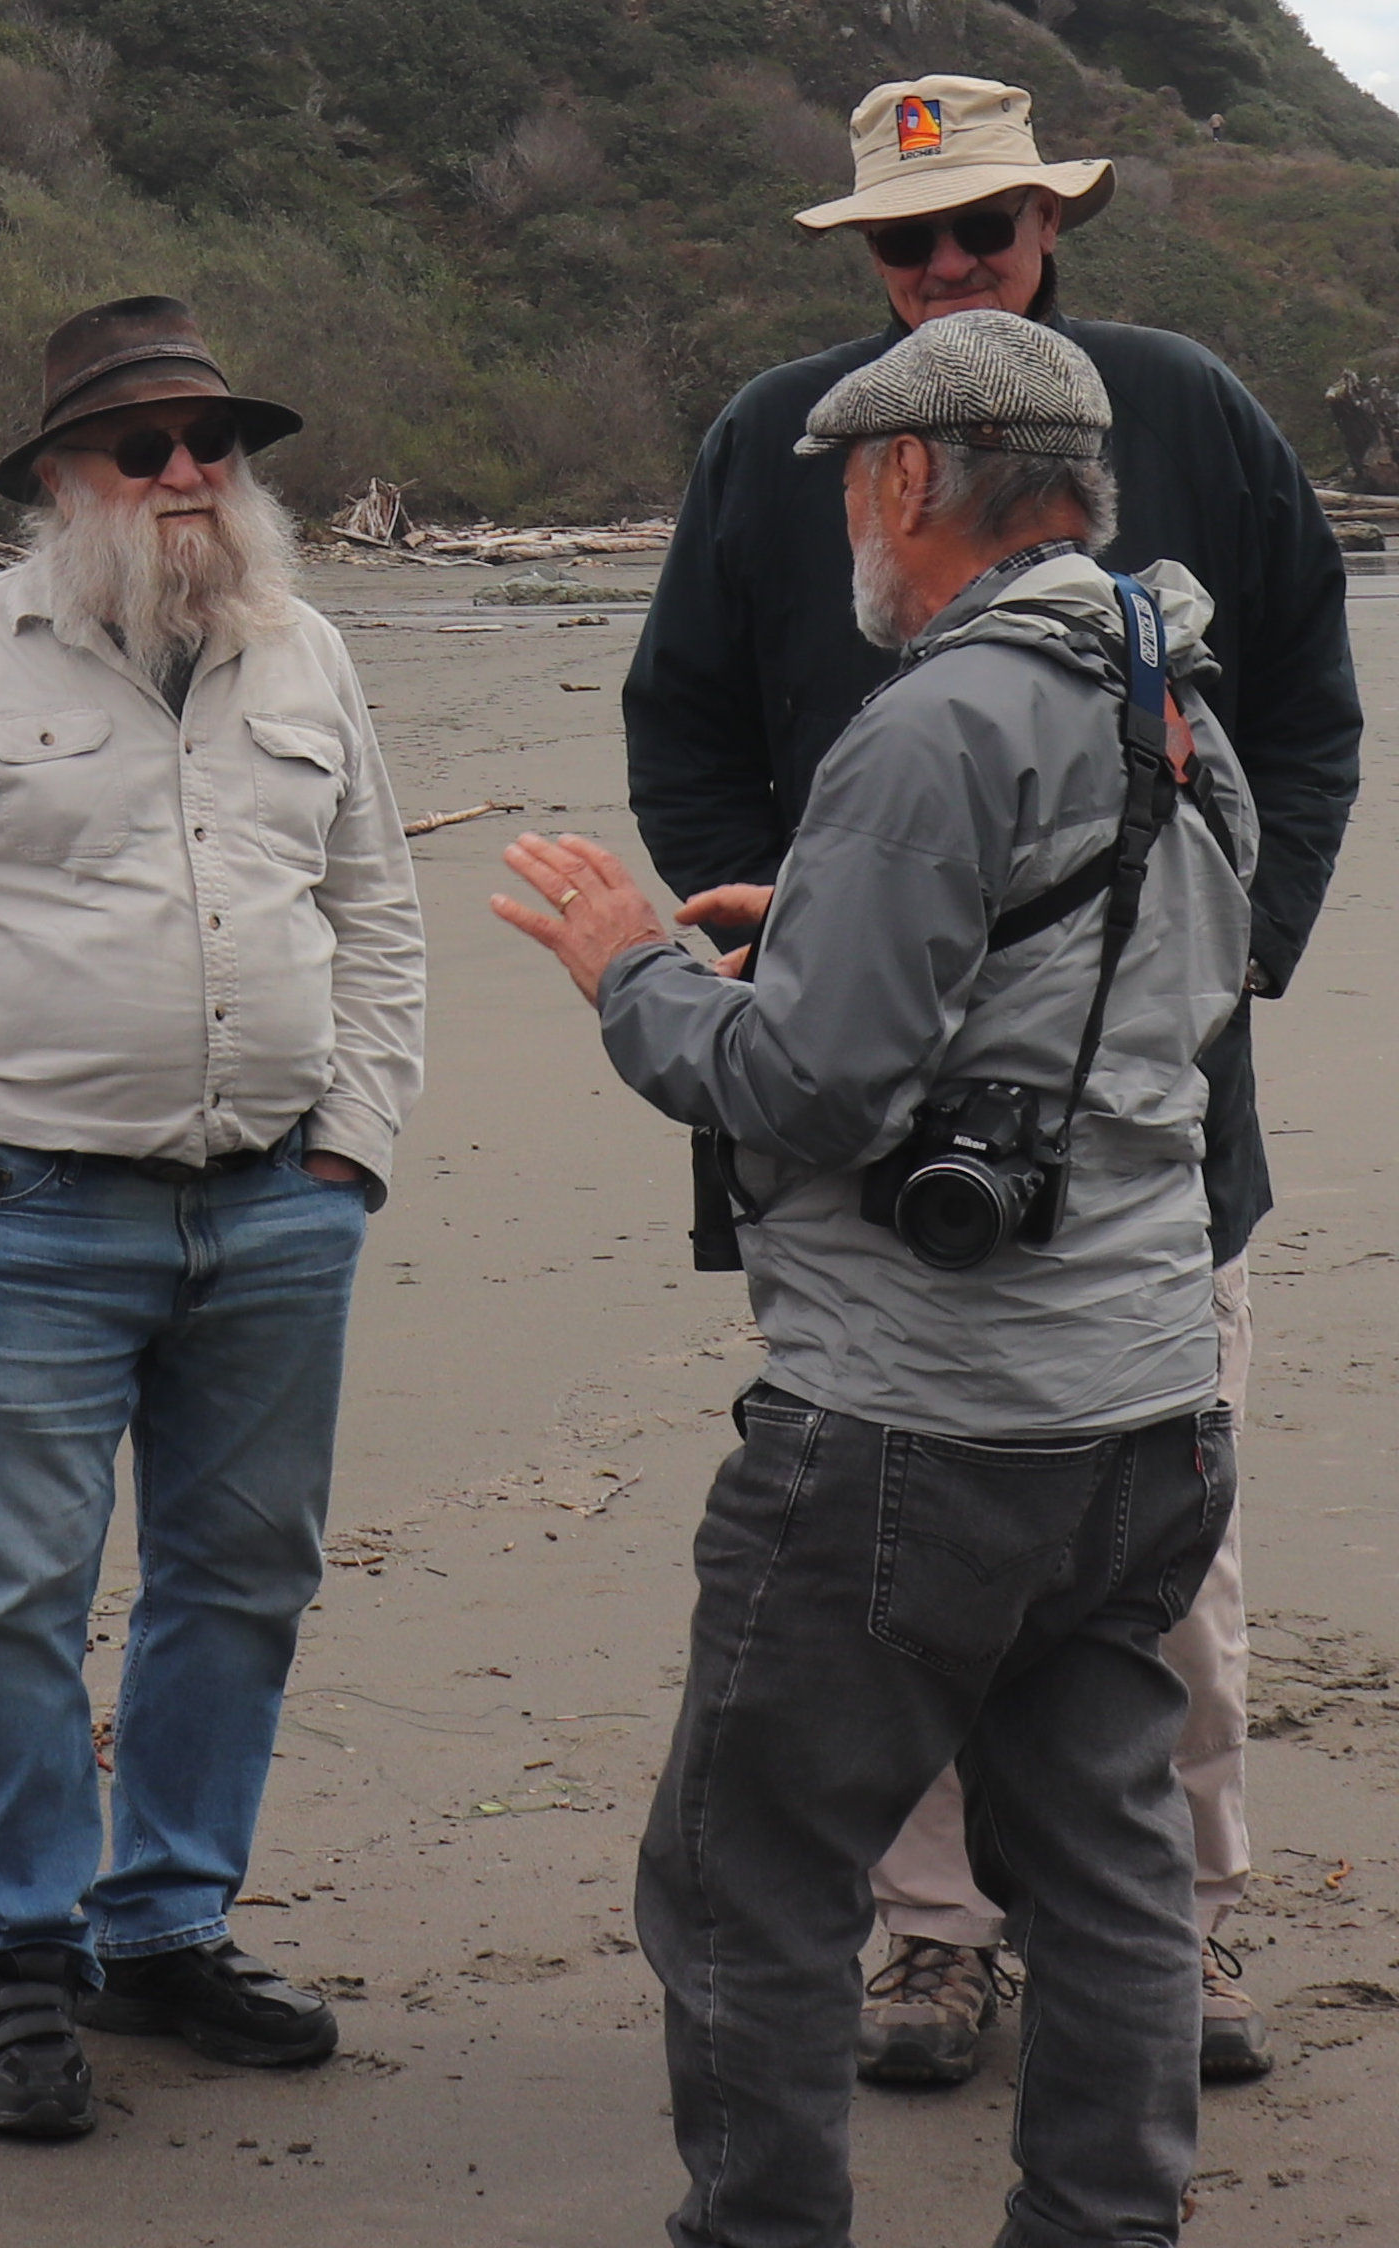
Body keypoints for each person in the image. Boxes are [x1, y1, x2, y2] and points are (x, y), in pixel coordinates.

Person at [622, 71, 1361, 2086]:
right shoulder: (772, 440)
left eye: (983, 226)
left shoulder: (1183, 407)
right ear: (864, 252)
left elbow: (1304, 699)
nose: (946, 261)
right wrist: (770, 939)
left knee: (1161, 1569)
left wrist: (1230, 945)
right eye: (906, 237)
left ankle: (1177, 1929)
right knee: (882, 1554)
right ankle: (932, 1937)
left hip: (1147, 1131)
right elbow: (682, 722)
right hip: (857, 1140)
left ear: (1051, 224)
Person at [500, 311, 1252, 2248]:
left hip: (918, 1416)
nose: (848, 516)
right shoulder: (1167, 695)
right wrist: (830, 914)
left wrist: (626, 966)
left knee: (743, 1870)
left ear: (908, 475)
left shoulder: (931, 721)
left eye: (853, 480)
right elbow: (1109, 980)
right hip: (1145, 1400)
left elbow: (806, 1088)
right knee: (1101, 1861)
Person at [0, 295, 425, 2140]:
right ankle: (19, 1961)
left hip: (276, 1209)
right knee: (16, 1603)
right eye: (142, 446)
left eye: (213, 442)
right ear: (60, 480)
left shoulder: (305, 652)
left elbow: (375, 910)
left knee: (239, 1581)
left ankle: (167, 1924)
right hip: (24, 1215)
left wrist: (351, 1143)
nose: (187, 472)